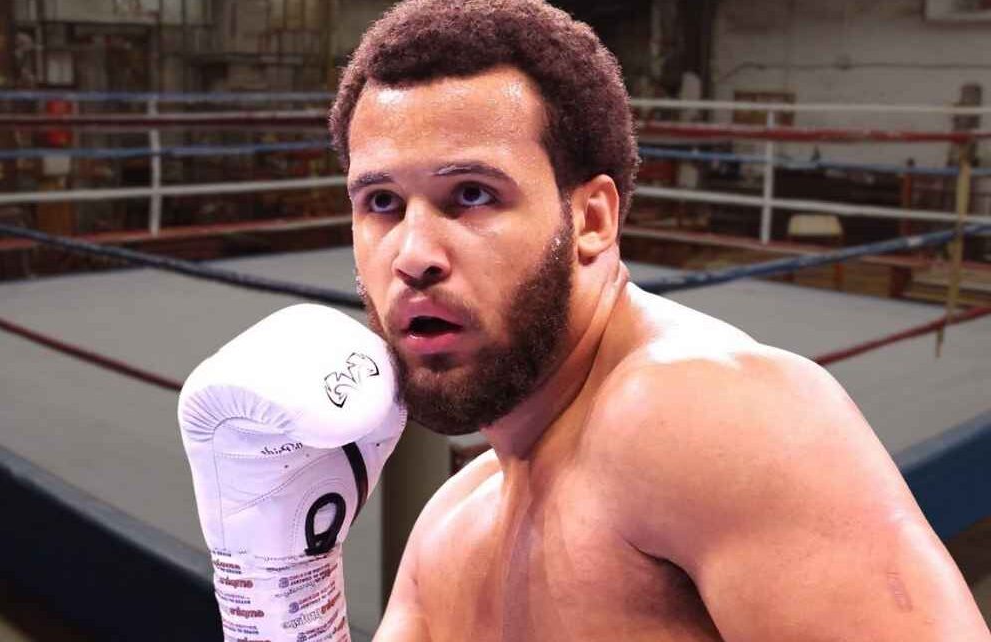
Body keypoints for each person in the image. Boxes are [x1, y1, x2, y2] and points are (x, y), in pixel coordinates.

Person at [180, 1, 991, 640]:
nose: (413, 252)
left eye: (471, 194)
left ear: (594, 219)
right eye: (381, 203)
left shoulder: (707, 419)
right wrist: (284, 591)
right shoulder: (449, 534)